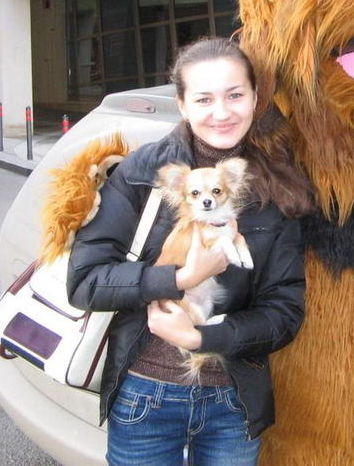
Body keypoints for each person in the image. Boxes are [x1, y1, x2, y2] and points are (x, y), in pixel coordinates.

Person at [68, 37, 314, 466]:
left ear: (255, 98)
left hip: (233, 402)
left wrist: (203, 338)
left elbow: (284, 313)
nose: (221, 112)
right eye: (204, 99)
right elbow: (86, 283)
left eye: (235, 95)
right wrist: (180, 278)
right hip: (145, 397)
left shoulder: (277, 187)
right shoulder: (143, 172)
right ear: (181, 104)